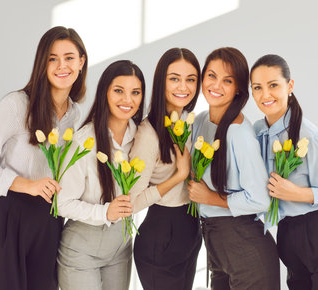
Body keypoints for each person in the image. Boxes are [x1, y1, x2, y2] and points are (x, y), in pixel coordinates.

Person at [0, 26, 87, 290]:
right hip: (8, 218)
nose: (61, 66)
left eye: (69, 57)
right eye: (52, 58)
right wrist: (28, 185)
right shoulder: (16, 105)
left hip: (49, 220)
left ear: (81, 61)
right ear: (41, 63)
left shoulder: (75, 115)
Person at [250, 54, 318, 290]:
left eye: (273, 85)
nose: (265, 95)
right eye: (257, 87)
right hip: (289, 240)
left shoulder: (309, 136)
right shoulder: (259, 133)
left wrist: (297, 193)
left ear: (290, 86)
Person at [187, 47, 280, 290]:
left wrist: (210, 198)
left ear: (238, 88)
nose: (216, 85)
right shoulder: (200, 121)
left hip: (245, 246)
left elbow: (260, 199)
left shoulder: (238, 133)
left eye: (227, 80)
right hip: (217, 245)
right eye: (211, 75)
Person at [56, 60, 145, 290]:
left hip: (121, 249)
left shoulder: (142, 138)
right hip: (81, 251)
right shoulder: (84, 142)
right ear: (105, 92)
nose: (128, 100)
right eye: (119, 91)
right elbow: (62, 203)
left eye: (135, 92)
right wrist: (105, 211)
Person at [129, 48, 202, 290]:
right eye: (174, 78)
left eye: (190, 79)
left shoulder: (191, 123)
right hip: (161, 236)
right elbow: (133, 202)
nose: (183, 87)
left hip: (191, 229)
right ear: (161, 81)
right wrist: (179, 175)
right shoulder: (148, 133)